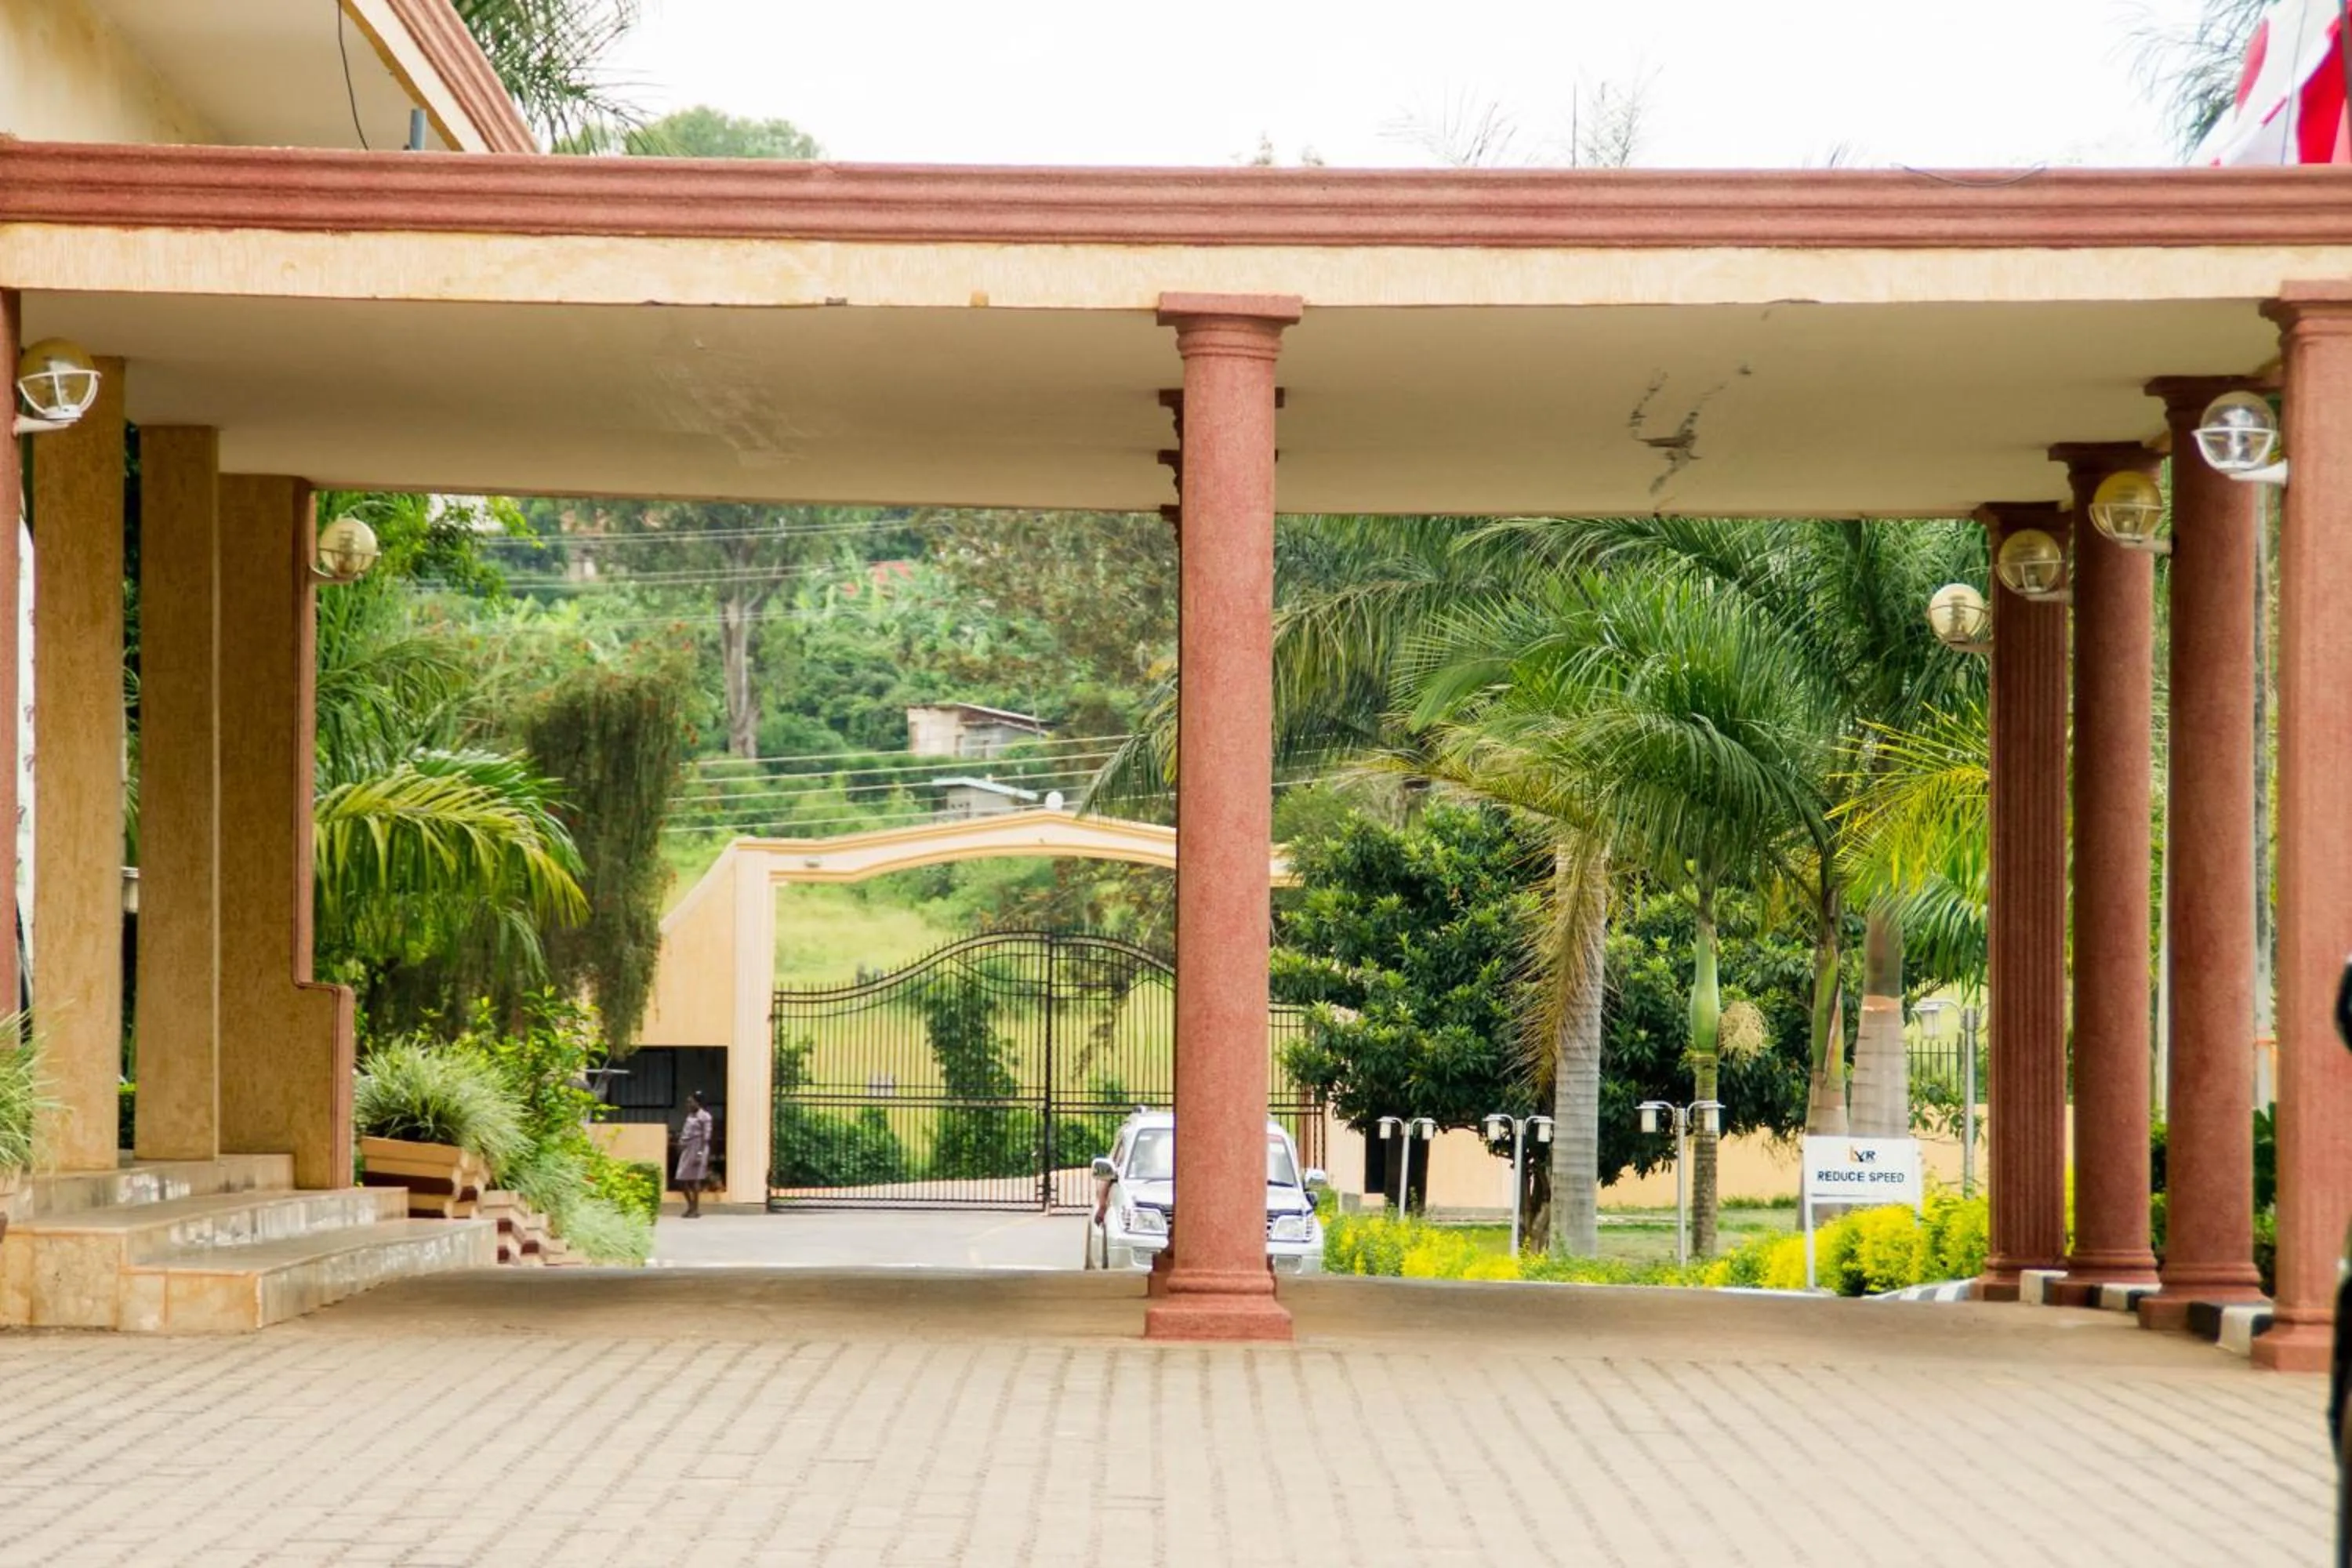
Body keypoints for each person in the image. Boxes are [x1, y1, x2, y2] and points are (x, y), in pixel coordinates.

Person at [675, 1094, 714, 1218]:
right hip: (687, 1148)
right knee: (681, 1178)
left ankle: (695, 1209)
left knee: (695, 1179)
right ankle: (690, 1206)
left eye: (691, 1102)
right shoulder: (690, 1115)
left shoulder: (705, 1117)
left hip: (698, 1147)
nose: (688, 1105)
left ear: (698, 1103)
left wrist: (700, 1153)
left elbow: (706, 1137)